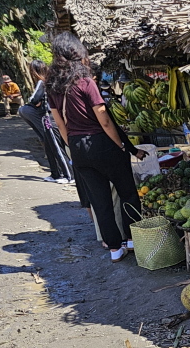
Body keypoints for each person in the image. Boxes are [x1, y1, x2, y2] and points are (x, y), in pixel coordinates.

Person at [47, 32, 145, 262]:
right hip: (102, 142)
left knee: (99, 200)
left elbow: (60, 124)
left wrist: (72, 146)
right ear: (76, 52)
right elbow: (104, 118)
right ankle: (132, 240)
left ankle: (114, 249)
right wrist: (121, 145)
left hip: (78, 148)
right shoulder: (84, 81)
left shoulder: (53, 86)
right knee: (127, 192)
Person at [18, 60, 72, 183]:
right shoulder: (51, 82)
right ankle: (55, 174)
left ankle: (69, 175)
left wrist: (35, 102)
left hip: (50, 118)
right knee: (49, 147)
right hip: (47, 118)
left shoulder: (42, 82)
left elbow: (33, 99)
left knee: (56, 147)